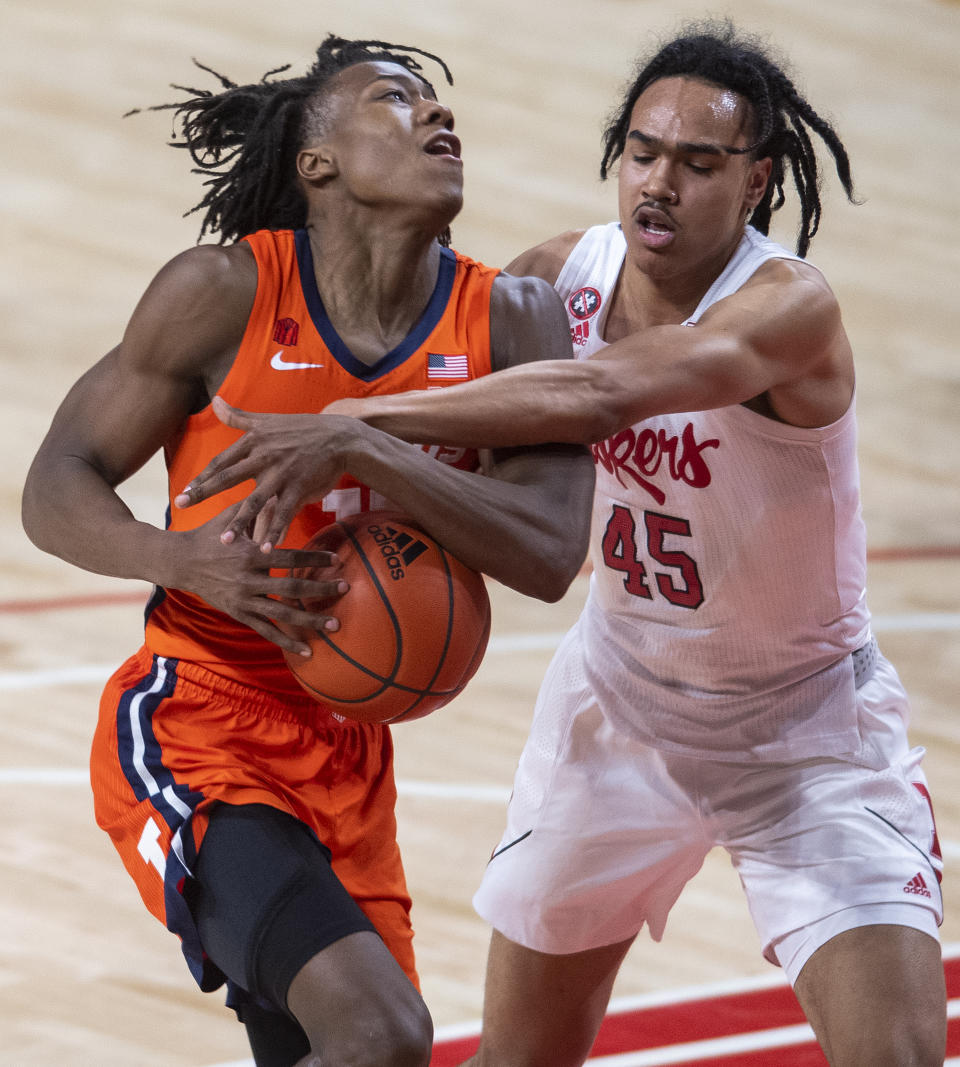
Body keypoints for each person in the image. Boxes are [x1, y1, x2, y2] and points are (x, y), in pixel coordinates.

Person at [174, 21, 947, 1067]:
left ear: (756, 181)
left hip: (803, 732)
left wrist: (363, 419)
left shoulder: (787, 306)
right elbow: (440, 379)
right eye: (642, 151)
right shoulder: (555, 281)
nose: (659, 182)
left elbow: (604, 389)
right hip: (616, 714)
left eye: (699, 162)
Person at [20, 34, 594, 1067]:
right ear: (317, 164)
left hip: (349, 752)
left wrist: (368, 439)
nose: (435, 116)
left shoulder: (511, 319)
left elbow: (551, 550)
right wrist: (183, 558)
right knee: (379, 1032)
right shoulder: (223, 293)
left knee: (372, 1049)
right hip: (197, 718)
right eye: (394, 100)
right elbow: (55, 481)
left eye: (438, 104)